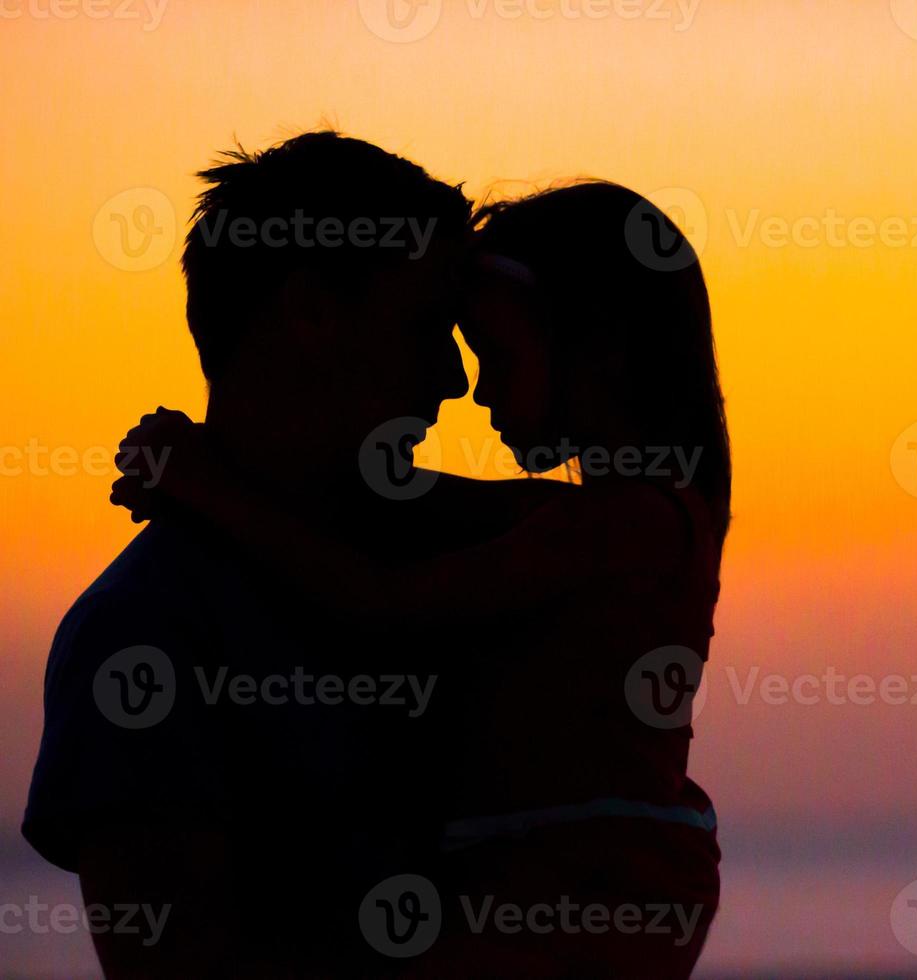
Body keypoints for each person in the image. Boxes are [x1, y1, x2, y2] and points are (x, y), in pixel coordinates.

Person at [111, 181, 730, 978]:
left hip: (581, 892)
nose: (471, 390)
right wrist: (231, 476)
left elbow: (386, 602)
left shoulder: (623, 526)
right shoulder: (602, 518)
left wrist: (215, 489)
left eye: (494, 356)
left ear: (598, 349)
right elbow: (393, 503)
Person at [22, 130, 511, 977]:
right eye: (428, 327)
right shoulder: (148, 632)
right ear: (312, 312)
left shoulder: (463, 570)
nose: (455, 379)